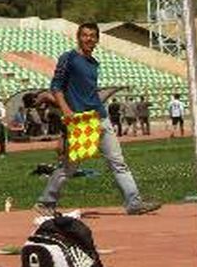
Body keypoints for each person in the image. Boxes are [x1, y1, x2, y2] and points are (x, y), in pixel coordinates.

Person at [34, 22, 161, 217]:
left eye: (93, 35)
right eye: (85, 35)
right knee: (70, 165)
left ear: (97, 39)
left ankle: (134, 203)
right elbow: (56, 87)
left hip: (100, 117)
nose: (89, 39)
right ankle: (46, 202)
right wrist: (67, 110)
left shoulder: (93, 63)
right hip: (81, 120)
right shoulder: (69, 58)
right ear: (78, 37)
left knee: (118, 162)